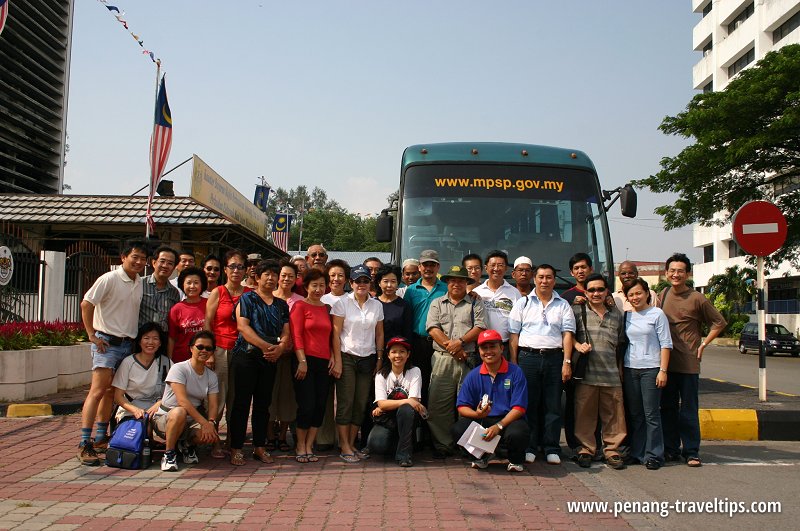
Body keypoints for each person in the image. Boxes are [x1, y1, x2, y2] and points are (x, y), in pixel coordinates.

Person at [78, 241, 147, 466]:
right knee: (97, 391)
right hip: (106, 342)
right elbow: (86, 304)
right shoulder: (109, 278)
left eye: (143, 258)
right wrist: (91, 335)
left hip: (128, 344)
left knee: (110, 393)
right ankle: (84, 442)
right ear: (123, 257)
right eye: (134, 257)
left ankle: (100, 437)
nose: (138, 262)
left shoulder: (138, 282)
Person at [658, 253, 726, 467]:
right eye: (672, 271)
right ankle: (670, 448)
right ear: (667, 273)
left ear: (688, 273)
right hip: (667, 363)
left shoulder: (697, 298)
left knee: (688, 408)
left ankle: (691, 451)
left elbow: (719, 322)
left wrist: (704, 344)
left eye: (680, 271)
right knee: (667, 408)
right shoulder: (664, 293)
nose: (676, 274)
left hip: (688, 362)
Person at [509, 263, 575, 465]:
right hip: (528, 358)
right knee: (530, 404)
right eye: (541, 277)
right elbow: (514, 335)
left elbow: (567, 335)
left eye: (549, 277)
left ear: (554, 280)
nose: (544, 281)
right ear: (534, 279)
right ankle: (530, 446)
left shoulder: (562, 304)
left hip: (555, 358)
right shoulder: (523, 303)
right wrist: (514, 363)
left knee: (553, 404)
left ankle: (551, 447)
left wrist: (567, 362)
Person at [228, 259, 291, 466]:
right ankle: (236, 448)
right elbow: (243, 328)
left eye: (275, 274)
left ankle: (259, 447)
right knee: (241, 403)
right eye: (267, 274)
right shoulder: (248, 299)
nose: (272, 278)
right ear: (257, 276)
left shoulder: (281, 304)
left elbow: (285, 331)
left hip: (270, 358)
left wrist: (280, 348)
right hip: (246, 357)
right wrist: (267, 347)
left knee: (264, 404)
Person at [426, 265, 487, 458]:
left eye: (461, 280)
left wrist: (460, 343)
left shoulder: (475, 303)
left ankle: (467, 445)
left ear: (466, 283)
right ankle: (444, 444)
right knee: (439, 404)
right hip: (442, 359)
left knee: (467, 404)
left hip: (468, 359)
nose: (456, 284)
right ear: (447, 283)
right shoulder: (437, 302)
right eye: (452, 280)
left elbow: (480, 327)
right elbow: (432, 328)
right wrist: (452, 349)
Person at [452, 329, 530, 472]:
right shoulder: (474, 375)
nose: (488, 351)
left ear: (502, 348)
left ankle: (514, 459)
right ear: (479, 351)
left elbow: (519, 408)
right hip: (484, 419)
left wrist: (499, 426)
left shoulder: (515, 372)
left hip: (507, 421)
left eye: (492, 347)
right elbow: (462, 406)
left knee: (518, 432)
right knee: (459, 429)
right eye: (484, 348)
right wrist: (477, 415)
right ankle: (480, 456)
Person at [571, 274, 628, 470]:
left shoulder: (616, 314)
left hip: (611, 374)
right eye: (592, 290)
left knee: (613, 415)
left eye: (600, 289)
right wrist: (578, 345)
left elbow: (620, 345)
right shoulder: (577, 311)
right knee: (584, 415)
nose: (596, 293)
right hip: (586, 374)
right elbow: (566, 335)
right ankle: (586, 449)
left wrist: (620, 370)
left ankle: (612, 450)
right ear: (585, 293)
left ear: (607, 292)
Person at [331, 264, 384, 463]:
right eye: (357, 281)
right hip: (347, 356)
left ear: (370, 283)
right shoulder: (342, 303)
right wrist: (336, 360)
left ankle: (352, 443)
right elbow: (335, 334)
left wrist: (379, 358)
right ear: (350, 283)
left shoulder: (376, 305)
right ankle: (343, 445)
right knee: (346, 402)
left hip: (368, 358)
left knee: (361, 403)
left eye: (365, 280)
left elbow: (379, 333)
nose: (361, 284)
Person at [204, 249, 250, 458]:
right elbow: (208, 322)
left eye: (240, 267)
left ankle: (233, 439)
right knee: (218, 397)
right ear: (225, 269)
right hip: (220, 349)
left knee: (237, 397)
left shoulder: (249, 294)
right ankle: (214, 441)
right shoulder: (218, 292)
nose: (236, 270)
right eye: (232, 266)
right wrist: (209, 352)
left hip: (242, 351)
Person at [623, 278, 672, 470]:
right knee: (635, 414)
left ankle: (654, 455)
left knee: (651, 414)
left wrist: (663, 370)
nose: (635, 297)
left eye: (638, 293)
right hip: (630, 368)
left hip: (651, 369)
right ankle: (637, 452)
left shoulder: (657, 314)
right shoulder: (626, 316)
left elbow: (666, 343)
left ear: (647, 293)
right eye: (631, 295)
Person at [154, 330, 220, 472]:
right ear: (191, 348)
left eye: (209, 348)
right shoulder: (179, 368)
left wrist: (211, 422)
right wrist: (204, 422)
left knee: (209, 434)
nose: (204, 351)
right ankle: (169, 454)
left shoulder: (212, 376)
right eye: (200, 347)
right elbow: (182, 401)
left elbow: (214, 404)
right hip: (168, 417)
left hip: (192, 418)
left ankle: (186, 445)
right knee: (179, 412)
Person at [290, 269, 337, 463]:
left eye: (321, 285)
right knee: (306, 405)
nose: (318, 289)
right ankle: (300, 445)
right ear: (306, 286)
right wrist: (302, 361)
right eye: (314, 285)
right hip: (304, 361)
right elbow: (296, 335)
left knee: (320, 406)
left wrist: (333, 356)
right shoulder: (299, 306)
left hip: (324, 362)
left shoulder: (327, 308)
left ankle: (310, 445)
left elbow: (330, 336)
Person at [368, 336, 425, 467]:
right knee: (376, 445)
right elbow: (382, 404)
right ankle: (400, 442)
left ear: (408, 354)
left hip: (407, 417)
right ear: (388, 355)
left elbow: (414, 401)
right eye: (394, 352)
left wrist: (387, 405)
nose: (398, 355)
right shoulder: (381, 375)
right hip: (388, 419)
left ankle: (404, 455)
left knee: (406, 410)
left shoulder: (414, 371)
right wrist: (406, 401)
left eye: (402, 352)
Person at [403, 250, 448, 406]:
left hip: (440, 344)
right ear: (420, 267)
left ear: (438, 267)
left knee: (437, 383)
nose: (428, 268)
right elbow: (407, 318)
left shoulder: (446, 288)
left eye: (432, 265)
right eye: (425, 265)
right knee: (418, 383)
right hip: (418, 342)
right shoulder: (411, 290)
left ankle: (434, 421)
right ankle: (419, 421)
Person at [267, 260, 303, 452]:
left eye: (291, 275)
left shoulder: (299, 300)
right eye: (283, 275)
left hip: (291, 355)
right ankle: (270, 436)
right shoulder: (267, 296)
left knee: (288, 398)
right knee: (269, 396)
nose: (286, 279)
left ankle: (282, 436)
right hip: (269, 353)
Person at [316, 258, 350, 451]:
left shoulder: (352, 299)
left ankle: (345, 438)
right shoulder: (321, 299)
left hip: (346, 354)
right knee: (325, 397)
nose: (336, 279)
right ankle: (324, 437)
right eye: (332, 275)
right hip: (322, 354)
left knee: (345, 399)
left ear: (346, 279)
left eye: (340, 275)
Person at [112, 322, 172, 423]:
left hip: (158, 410)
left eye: (155, 338)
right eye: (146, 338)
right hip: (131, 411)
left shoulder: (167, 363)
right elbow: (118, 397)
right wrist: (135, 410)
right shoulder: (128, 362)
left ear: (160, 343)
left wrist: (160, 403)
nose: (151, 342)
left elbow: (175, 392)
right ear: (139, 341)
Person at [472, 250, 520, 358]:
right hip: (481, 346)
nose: (496, 269)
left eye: (500, 265)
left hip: (505, 346)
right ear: (486, 268)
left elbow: (517, 326)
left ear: (506, 268)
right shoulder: (477, 292)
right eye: (493, 265)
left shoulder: (515, 293)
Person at [168, 267, 208, 363]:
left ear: (202, 284)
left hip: (205, 358)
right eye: (189, 283)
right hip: (181, 359)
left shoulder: (209, 304)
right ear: (182, 285)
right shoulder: (176, 309)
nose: (192, 286)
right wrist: (169, 361)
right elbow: (171, 338)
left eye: (196, 282)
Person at [138, 245, 180, 333]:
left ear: (174, 267)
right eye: (162, 261)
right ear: (154, 263)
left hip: (162, 338)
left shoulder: (174, 292)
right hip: (140, 337)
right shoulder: (139, 284)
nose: (165, 265)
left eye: (170, 263)